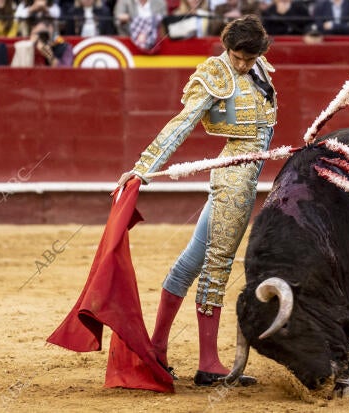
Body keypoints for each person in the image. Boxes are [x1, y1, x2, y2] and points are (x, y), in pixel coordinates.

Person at [117, 15, 276, 386]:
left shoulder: (261, 68)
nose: (242, 64)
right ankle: (208, 364)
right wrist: (142, 169)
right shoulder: (215, 74)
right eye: (237, 56)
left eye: (249, 58)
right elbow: (181, 124)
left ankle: (156, 348)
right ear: (226, 48)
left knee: (191, 260)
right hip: (235, 178)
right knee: (217, 266)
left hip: (245, 174)